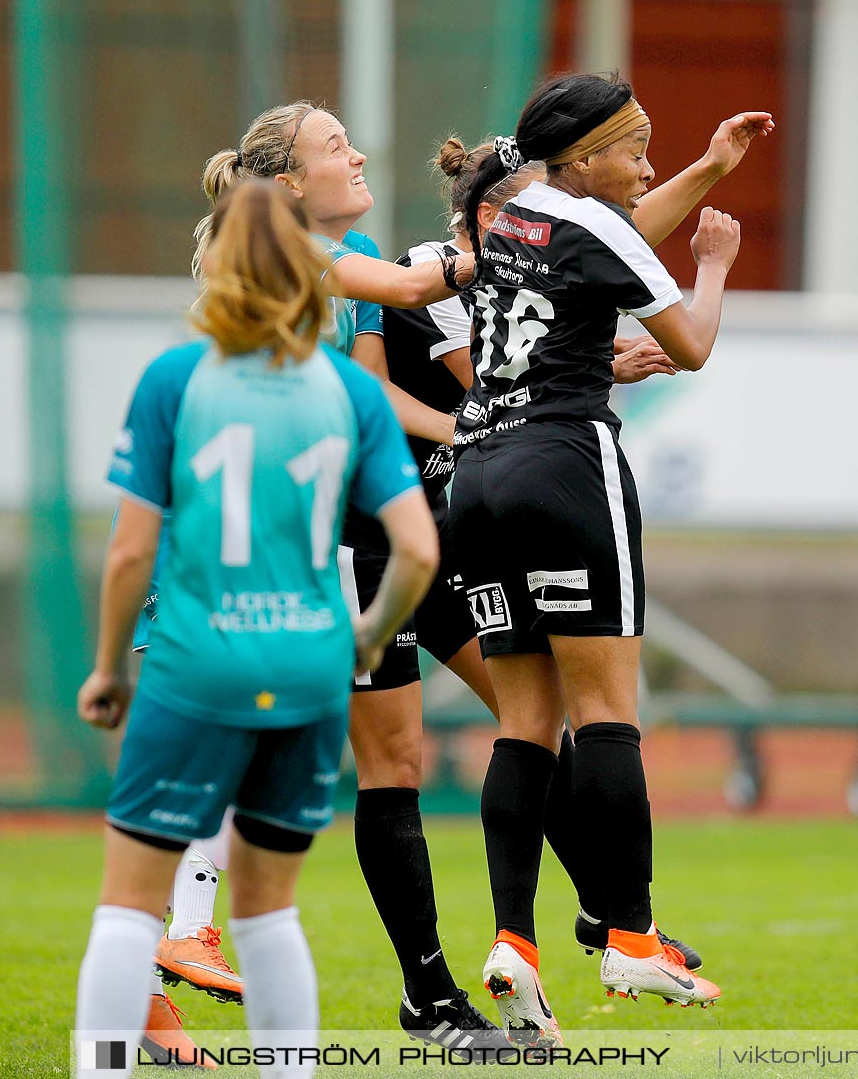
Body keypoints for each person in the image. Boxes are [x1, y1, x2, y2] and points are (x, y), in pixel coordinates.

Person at [72, 179, 438, 1079]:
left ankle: (104, 1067)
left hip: (197, 663)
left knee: (127, 905)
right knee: (270, 913)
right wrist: (365, 637)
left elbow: (128, 554)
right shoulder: (348, 392)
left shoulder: (176, 377)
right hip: (310, 668)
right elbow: (418, 550)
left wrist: (109, 667)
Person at [337, 137, 687, 1052]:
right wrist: (483, 422)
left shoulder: (421, 267)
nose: (361, 154)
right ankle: (437, 986)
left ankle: (591, 919)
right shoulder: (401, 273)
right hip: (373, 541)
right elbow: (404, 398)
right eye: (335, 145)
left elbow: (611, 248)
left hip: (443, 534)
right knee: (389, 761)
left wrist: (593, 371)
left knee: (531, 728)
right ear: (490, 216)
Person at [448, 75, 769, 1044]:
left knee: (525, 722)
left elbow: (614, 244)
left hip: (479, 474)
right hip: (564, 462)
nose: (648, 166)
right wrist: (713, 262)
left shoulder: (506, 211)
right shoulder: (599, 224)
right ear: (581, 159)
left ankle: (516, 939)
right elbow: (693, 346)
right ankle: (631, 933)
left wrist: (711, 166)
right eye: (634, 149)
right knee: (605, 714)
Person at [145, 100, 469, 1039]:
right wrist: (526, 242)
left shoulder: (349, 258)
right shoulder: (283, 243)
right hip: (245, 542)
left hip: (304, 539)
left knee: (258, 766)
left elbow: (367, 385)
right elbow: (410, 293)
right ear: (287, 184)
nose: (359, 150)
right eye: (335, 144)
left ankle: (160, 983)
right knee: (248, 765)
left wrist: (459, 429)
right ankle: (181, 949)